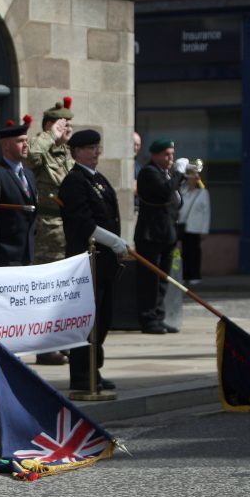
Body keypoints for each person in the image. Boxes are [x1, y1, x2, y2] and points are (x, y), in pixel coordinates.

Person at [58, 129, 125, 392]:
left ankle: (94, 369)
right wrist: (113, 241)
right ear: (76, 152)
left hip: (104, 262)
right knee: (86, 320)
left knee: (103, 319)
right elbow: (83, 223)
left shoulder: (98, 179)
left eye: (97, 147)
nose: (96, 151)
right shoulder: (75, 181)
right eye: (90, 148)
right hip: (87, 261)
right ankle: (82, 375)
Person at [28, 97, 74, 365]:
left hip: (68, 229)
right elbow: (31, 156)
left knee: (66, 294)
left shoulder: (65, 153)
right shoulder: (41, 147)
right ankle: (45, 348)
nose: (65, 129)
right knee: (47, 292)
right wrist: (49, 135)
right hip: (49, 230)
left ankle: (64, 341)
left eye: (68, 125)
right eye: (61, 124)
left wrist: (63, 142)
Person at [135, 139, 184, 334]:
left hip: (166, 234)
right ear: (155, 155)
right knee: (150, 280)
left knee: (163, 279)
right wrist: (179, 174)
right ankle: (148, 319)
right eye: (166, 154)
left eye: (172, 154)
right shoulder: (149, 172)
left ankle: (159, 316)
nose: (170, 158)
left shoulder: (166, 173)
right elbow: (164, 192)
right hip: (151, 235)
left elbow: (174, 199)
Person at [0, 117, 36, 267]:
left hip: (28, 254)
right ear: (6, 145)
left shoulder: (29, 174)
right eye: (20, 141)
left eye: (26, 140)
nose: (26, 145)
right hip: (5, 255)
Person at [176, 161, 210, 286]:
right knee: (183, 252)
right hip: (183, 226)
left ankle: (195, 275)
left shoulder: (203, 193)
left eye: (193, 178)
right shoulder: (182, 192)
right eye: (189, 178)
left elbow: (206, 213)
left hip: (195, 228)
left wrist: (204, 230)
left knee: (194, 253)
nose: (191, 181)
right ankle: (185, 275)